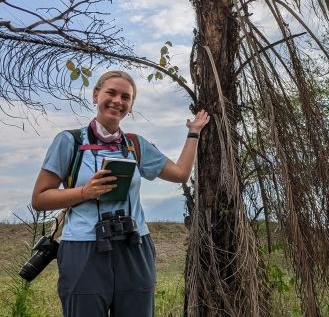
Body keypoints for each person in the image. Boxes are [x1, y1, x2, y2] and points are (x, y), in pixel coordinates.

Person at [31, 70, 210, 317]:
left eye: (126, 97)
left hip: (134, 245)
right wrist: (85, 191)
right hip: (84, 247)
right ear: (96, 96)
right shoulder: (69, 141)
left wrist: (194, 132)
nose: (118, 101)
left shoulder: (136, 145)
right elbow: (40, 198)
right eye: (111, 93)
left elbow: (180, 174)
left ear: (131, 106)